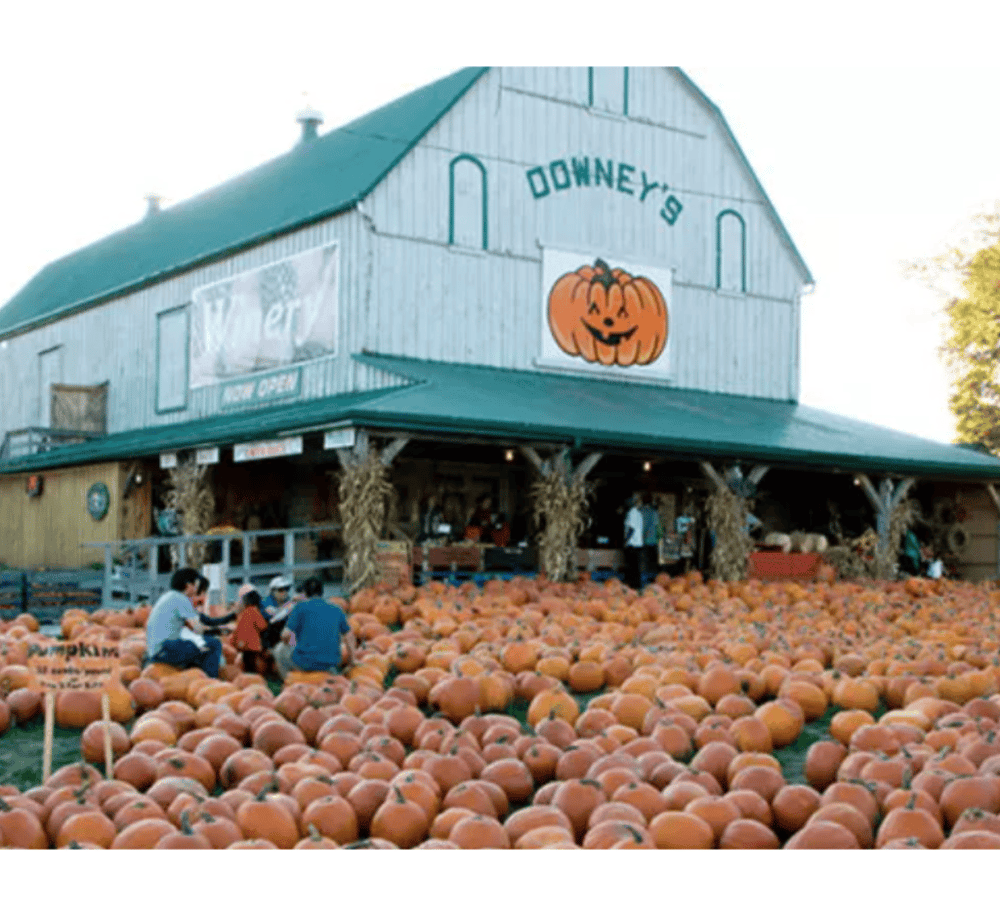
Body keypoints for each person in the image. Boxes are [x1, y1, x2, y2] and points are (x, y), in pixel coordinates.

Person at [146, 568, 236, 677]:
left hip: (156, 650)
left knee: (197, 645)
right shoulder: (181, 599)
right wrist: (219, 631)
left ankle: (196, 676)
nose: (196, 588)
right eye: (195, 585)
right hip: (165, 649)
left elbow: (202, 622)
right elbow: (198, 628)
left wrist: (224, 623)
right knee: (214, 644)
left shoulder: (169, 597)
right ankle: (209, 681)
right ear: (188, 585)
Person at [273, 577, 356, 680]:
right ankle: (328, 673)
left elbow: (285, 635)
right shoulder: (337, 609)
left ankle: (291, 682)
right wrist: (352, 660)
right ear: (322, 592)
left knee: (279, 649)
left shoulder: (300, 607)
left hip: (305, 663)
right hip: (330, 663)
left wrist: (289, 643)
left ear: (305, 592)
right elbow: (349, 635)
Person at [232, 589, 270, 675]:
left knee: (246, 662)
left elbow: (238, 629)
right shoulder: (254, 611)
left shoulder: (243, 613)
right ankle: (252, 677)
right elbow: (262, 626)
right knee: (252, 664)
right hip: (252, 644)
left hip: (241, 643)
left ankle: (246, 676)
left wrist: (234, 642)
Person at [623, 493, 644, 590]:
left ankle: (633, 585)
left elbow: (631, 528)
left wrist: (626, 540)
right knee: (636, 566)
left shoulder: (631, 513)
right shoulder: (638, 513)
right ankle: (637, 585)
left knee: (632, 566)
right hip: (638, 543)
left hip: (632, 543)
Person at [639, 493, 660, 585]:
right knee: (652, 562)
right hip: (652, 540)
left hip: (642, 540)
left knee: (642, 561)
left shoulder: (640, 511)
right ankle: (653, 581)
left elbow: (641, 526)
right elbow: (656, 525)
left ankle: (643, 582)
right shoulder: (654, 512)